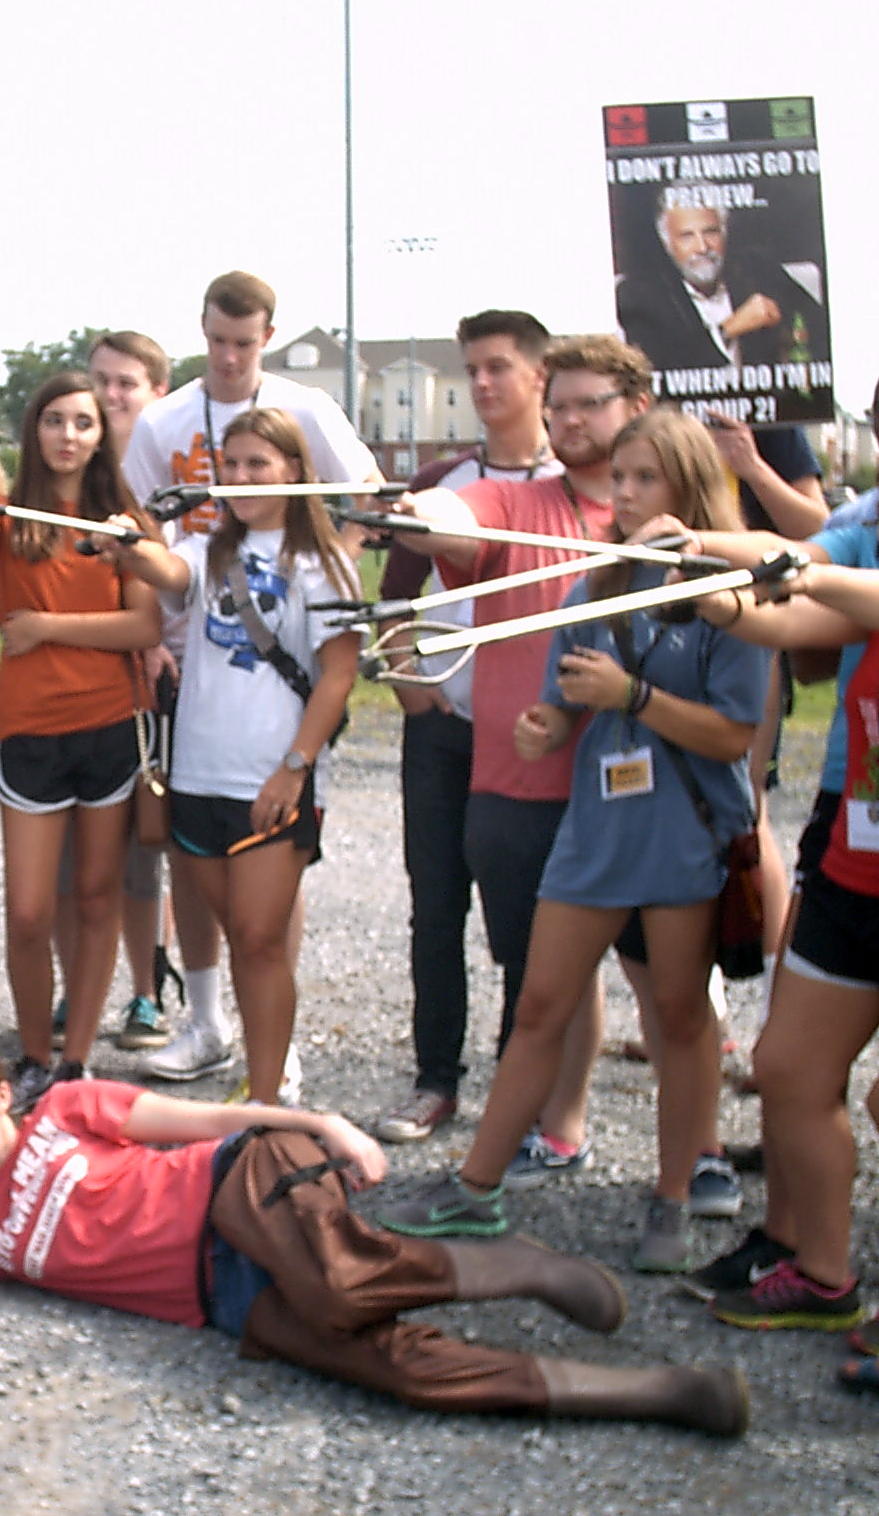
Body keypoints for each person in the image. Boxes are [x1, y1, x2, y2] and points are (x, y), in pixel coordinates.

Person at [0, 1035, 749, 1437]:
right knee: (402, 1374)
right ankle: (664, 1393)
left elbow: (215, 1121)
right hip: (228, 1300)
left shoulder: (70, 1109)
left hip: (240, 1186)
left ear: (0, 1094)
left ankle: (524, 1267)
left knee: (338, 1286)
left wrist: (327, 1126)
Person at [379, 409, 766, 1273]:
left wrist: (630, 696)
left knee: (677, 1012)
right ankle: (475, 1187)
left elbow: (734, 736)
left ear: (690, 490)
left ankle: (672, 1195)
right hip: (597, 828)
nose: (622, 495)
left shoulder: (724, 595)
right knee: (542, 1005)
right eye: (619, 479)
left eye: (644, 480)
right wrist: (548, 723)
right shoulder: (593, 584)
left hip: (682, 837)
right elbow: (568, 697)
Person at [667, 428, 879, 1335]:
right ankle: (823, 1273)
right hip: (849, 878)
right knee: (787, 1070)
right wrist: (704, 583)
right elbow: (782, 620)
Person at [381, 337, 651, 1192]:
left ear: (633, 407)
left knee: (669, 993)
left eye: (588, 404)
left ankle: (696, 1162)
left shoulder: (665, 519)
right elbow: (459, 519)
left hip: (643, 790)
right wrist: (425, 516)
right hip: (521, 784)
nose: (570, 421)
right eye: (561, 405)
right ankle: (560, 1126)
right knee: (544, 969)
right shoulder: (509, 495)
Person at [120, 272, 381, 1081]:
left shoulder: (324, 560)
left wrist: (296, 766)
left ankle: (271, 1082)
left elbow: (340, 676)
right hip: (199, 765)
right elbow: (165, 561)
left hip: (275, 769)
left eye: (258, 464)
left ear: (291, 468)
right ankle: (219, 1038)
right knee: (225, 922)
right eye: (229, 464)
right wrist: (123, 546)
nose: (240, 476)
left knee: (263, 937)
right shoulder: (209, 546)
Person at [0, 372, 161, 1108]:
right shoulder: (6, 513)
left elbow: (145, 626)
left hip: (110, 725)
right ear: (34, 432)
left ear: (100, 434)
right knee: (28, 909)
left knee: (94, 898)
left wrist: (49, 628)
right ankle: (33, 1054)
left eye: (83, 423)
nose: (69, 436)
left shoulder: (122, 521)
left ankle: (77, 1061)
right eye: (54, 422)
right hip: (30, 734)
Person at [372, 309, 560, 1142]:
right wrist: (416, 692)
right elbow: (390, 602)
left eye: (497, 368)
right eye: (471, 369)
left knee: (529, 918)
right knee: (436, 908)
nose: (482, 384)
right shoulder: (445, 482)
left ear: (538, 377)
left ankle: (525, 1085)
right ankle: (435, 1079)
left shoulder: (570, 488)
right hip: (445, 729)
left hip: (534, 738)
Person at [59, 329, 174, 1051]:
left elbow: (165, 576)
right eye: (100, 379)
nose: (111, 393)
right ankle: (80, 993)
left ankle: (146, 992)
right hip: (67, 694)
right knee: (74, 863)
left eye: (127, 382)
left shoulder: (152, 480)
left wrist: (152, 636)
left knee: (139, 855)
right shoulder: (64, 475)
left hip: (137, 691)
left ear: (156, 393)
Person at [615, 184, 830, 376]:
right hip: (682, 419)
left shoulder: (757, 270)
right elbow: (659, 370)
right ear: (668, 244)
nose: (702, 248)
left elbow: (819, 328)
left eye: (711, 232)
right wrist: (728, 330)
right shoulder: (640, 294)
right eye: (687, 236)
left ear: (724, 234)